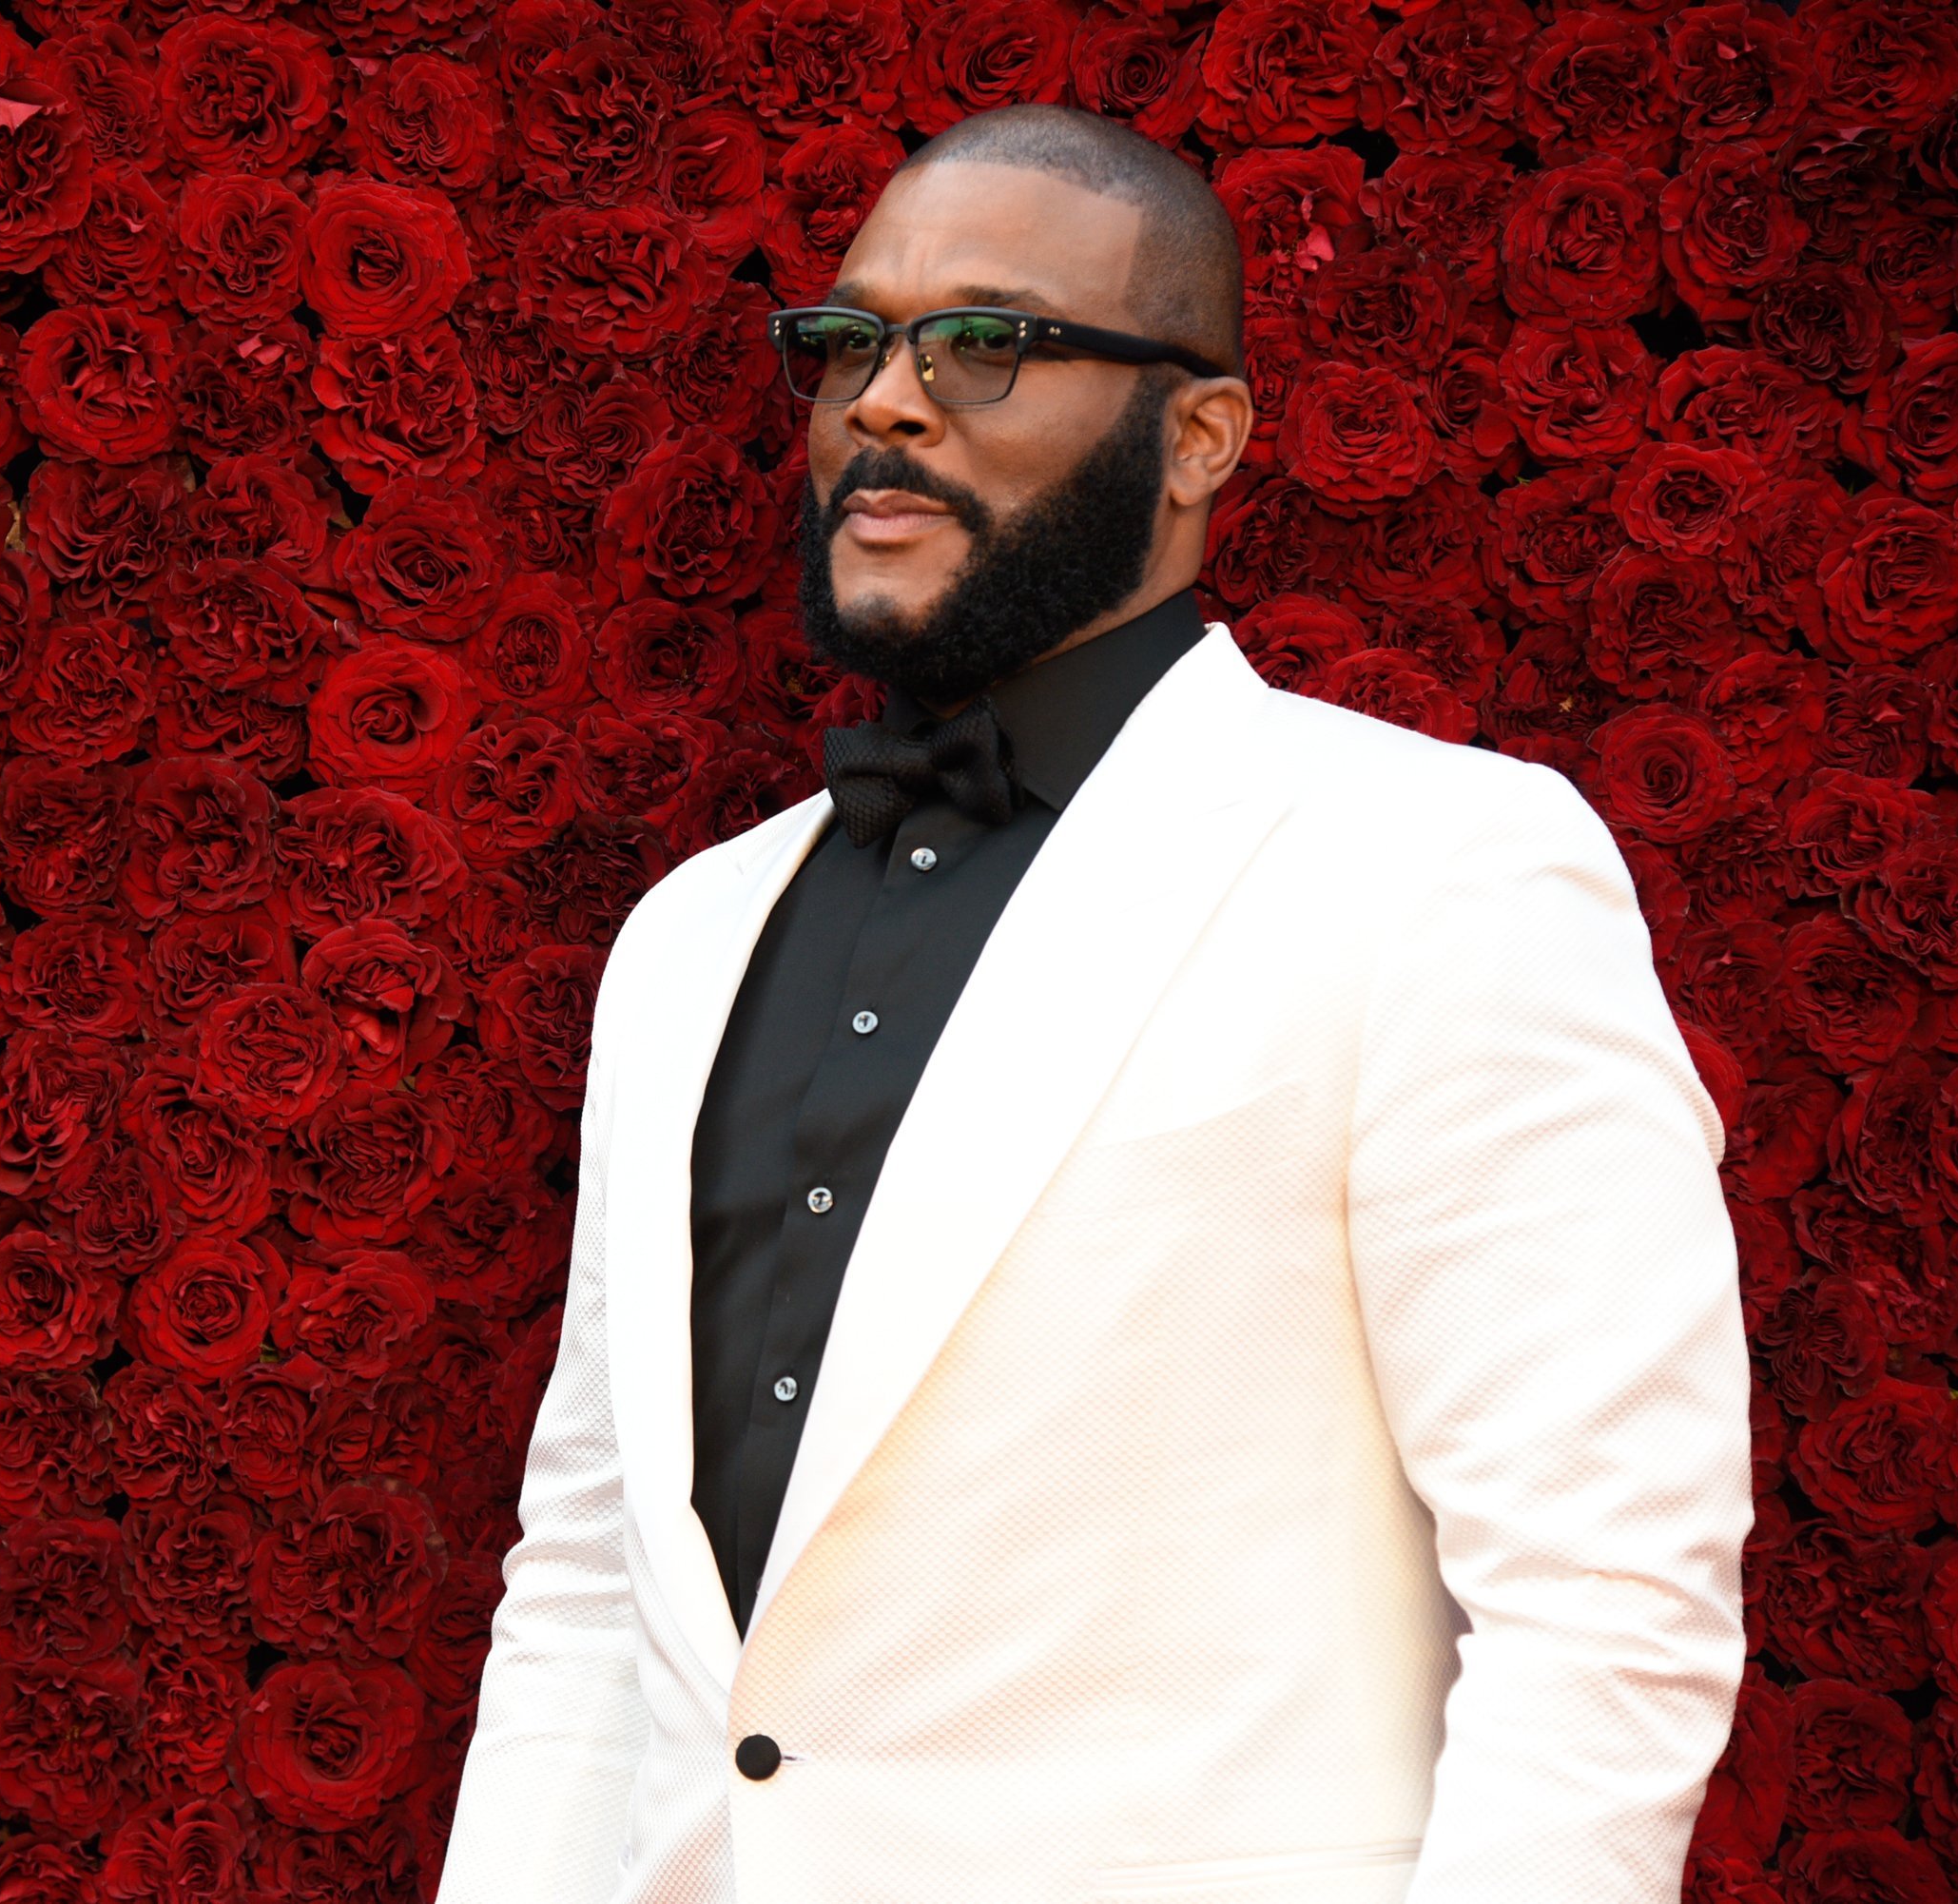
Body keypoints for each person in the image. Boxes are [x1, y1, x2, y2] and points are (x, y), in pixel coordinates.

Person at [438, 105, 1751, 1904]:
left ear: (1201, 433)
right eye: (848, 342)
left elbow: (1606, 1597)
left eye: (986, 342)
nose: (884, 402)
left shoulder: (1438, 865)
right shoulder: (688, 931)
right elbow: (591, 1572)